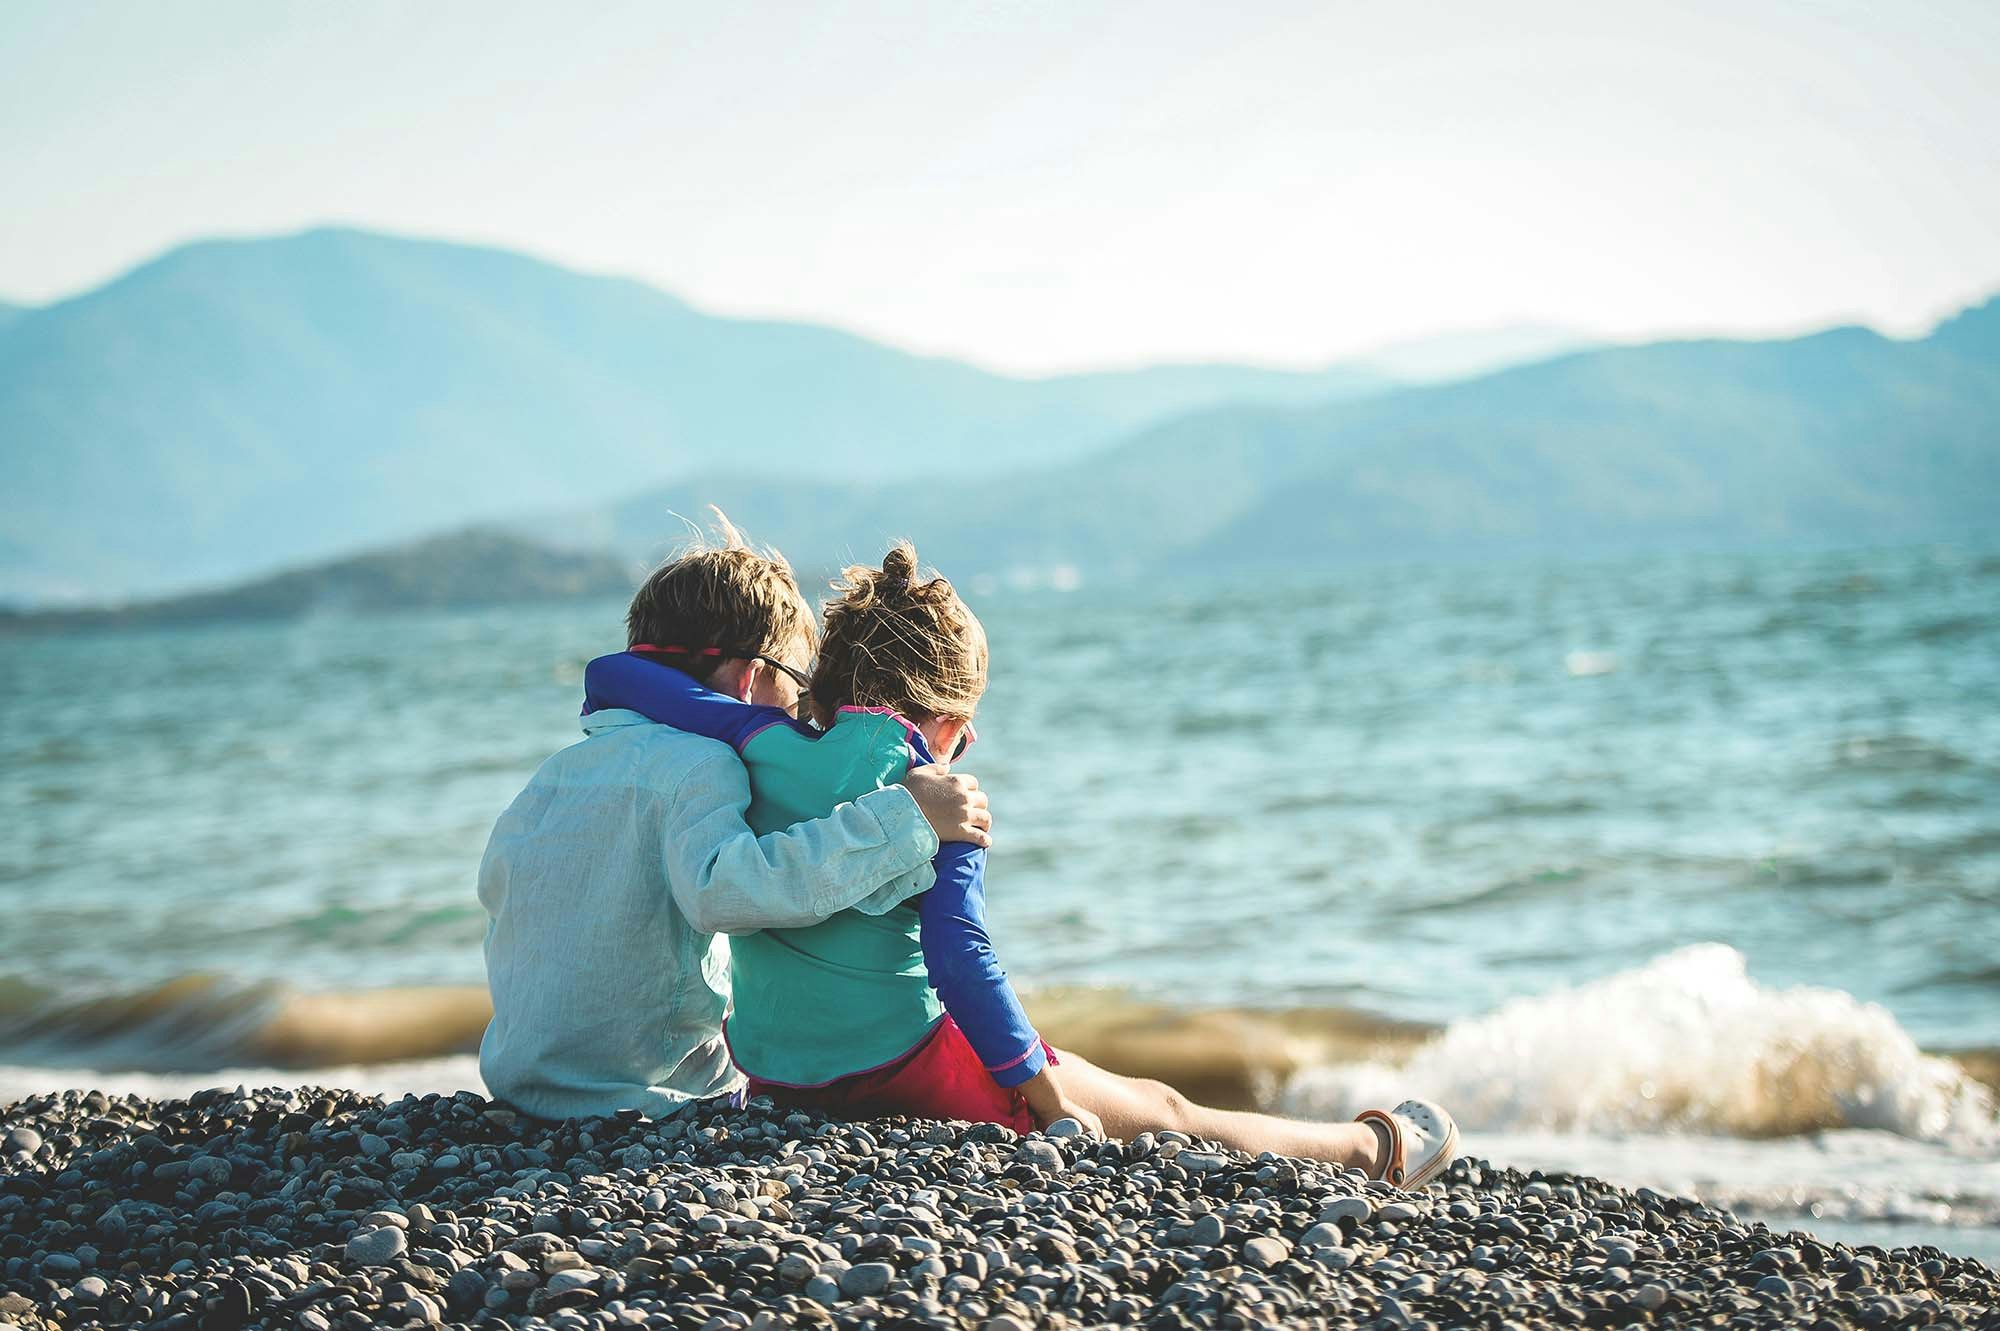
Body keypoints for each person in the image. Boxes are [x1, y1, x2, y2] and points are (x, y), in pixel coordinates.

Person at [584, 541, 1459, 1185]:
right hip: (910, 1067)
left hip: (778, 1073)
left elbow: (631, 679)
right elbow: (961, 959)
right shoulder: (941, 798)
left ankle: (1365, 1143)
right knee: (1162, 1108)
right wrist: (1042, 1096)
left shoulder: (759, 745)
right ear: (950, 725)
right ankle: (1370, 1148)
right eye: (968, 728)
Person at [476, 519, 994, 1120]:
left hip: (519, 1077)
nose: (805, 721)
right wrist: (905, 819)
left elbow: (499, 888)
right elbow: (732, 892)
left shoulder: (554, 774)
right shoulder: (703, 764)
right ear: (751, 680)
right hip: (643, 1095)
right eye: (799, 695)